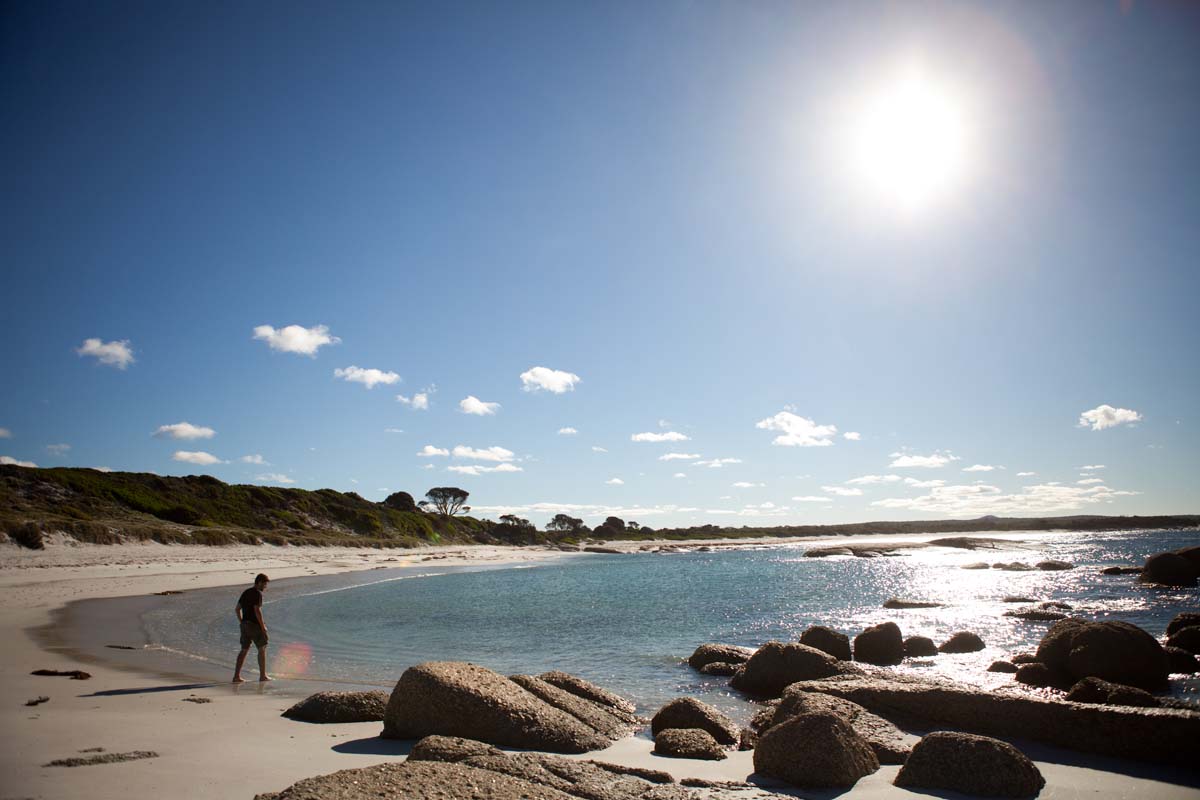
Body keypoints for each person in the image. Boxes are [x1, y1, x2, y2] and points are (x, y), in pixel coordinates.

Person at [233, 573, 271, 683]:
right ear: (259, 582)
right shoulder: (257, 594)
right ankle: (262, 676)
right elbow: (257, 610)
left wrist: (242, 622)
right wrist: (263, 627)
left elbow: (237, 609)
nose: (265, 587)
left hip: (244, 625)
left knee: (244, 650)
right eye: (264, 584)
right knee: (262, 648)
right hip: (254, 625)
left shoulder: (246, 592)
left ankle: (236, 676)